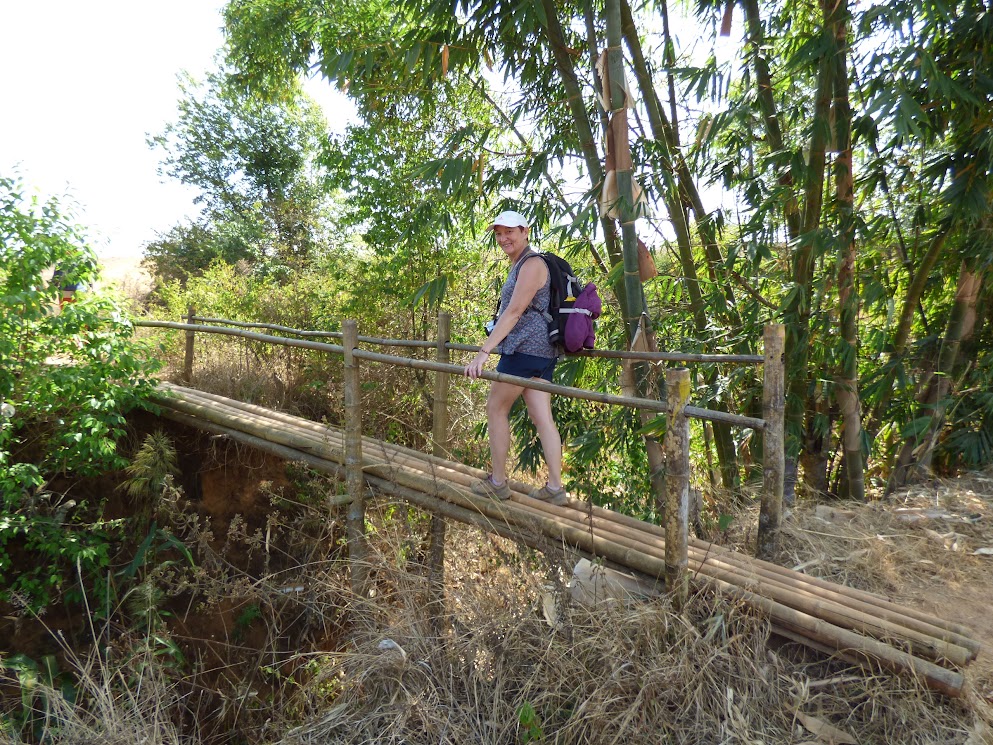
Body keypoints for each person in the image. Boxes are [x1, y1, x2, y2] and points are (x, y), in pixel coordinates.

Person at [464, 210, 568, 505]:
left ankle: (498, 482)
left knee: (496, 408)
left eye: (509, 231)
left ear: (526, 231)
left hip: (525, 349)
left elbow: (514, 311)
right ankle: (555, 489)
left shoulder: (533, 264)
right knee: (541, 416)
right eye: (498, 233)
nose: (503, 238)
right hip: (540, 352)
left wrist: (483, 353)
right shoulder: (522, 264)